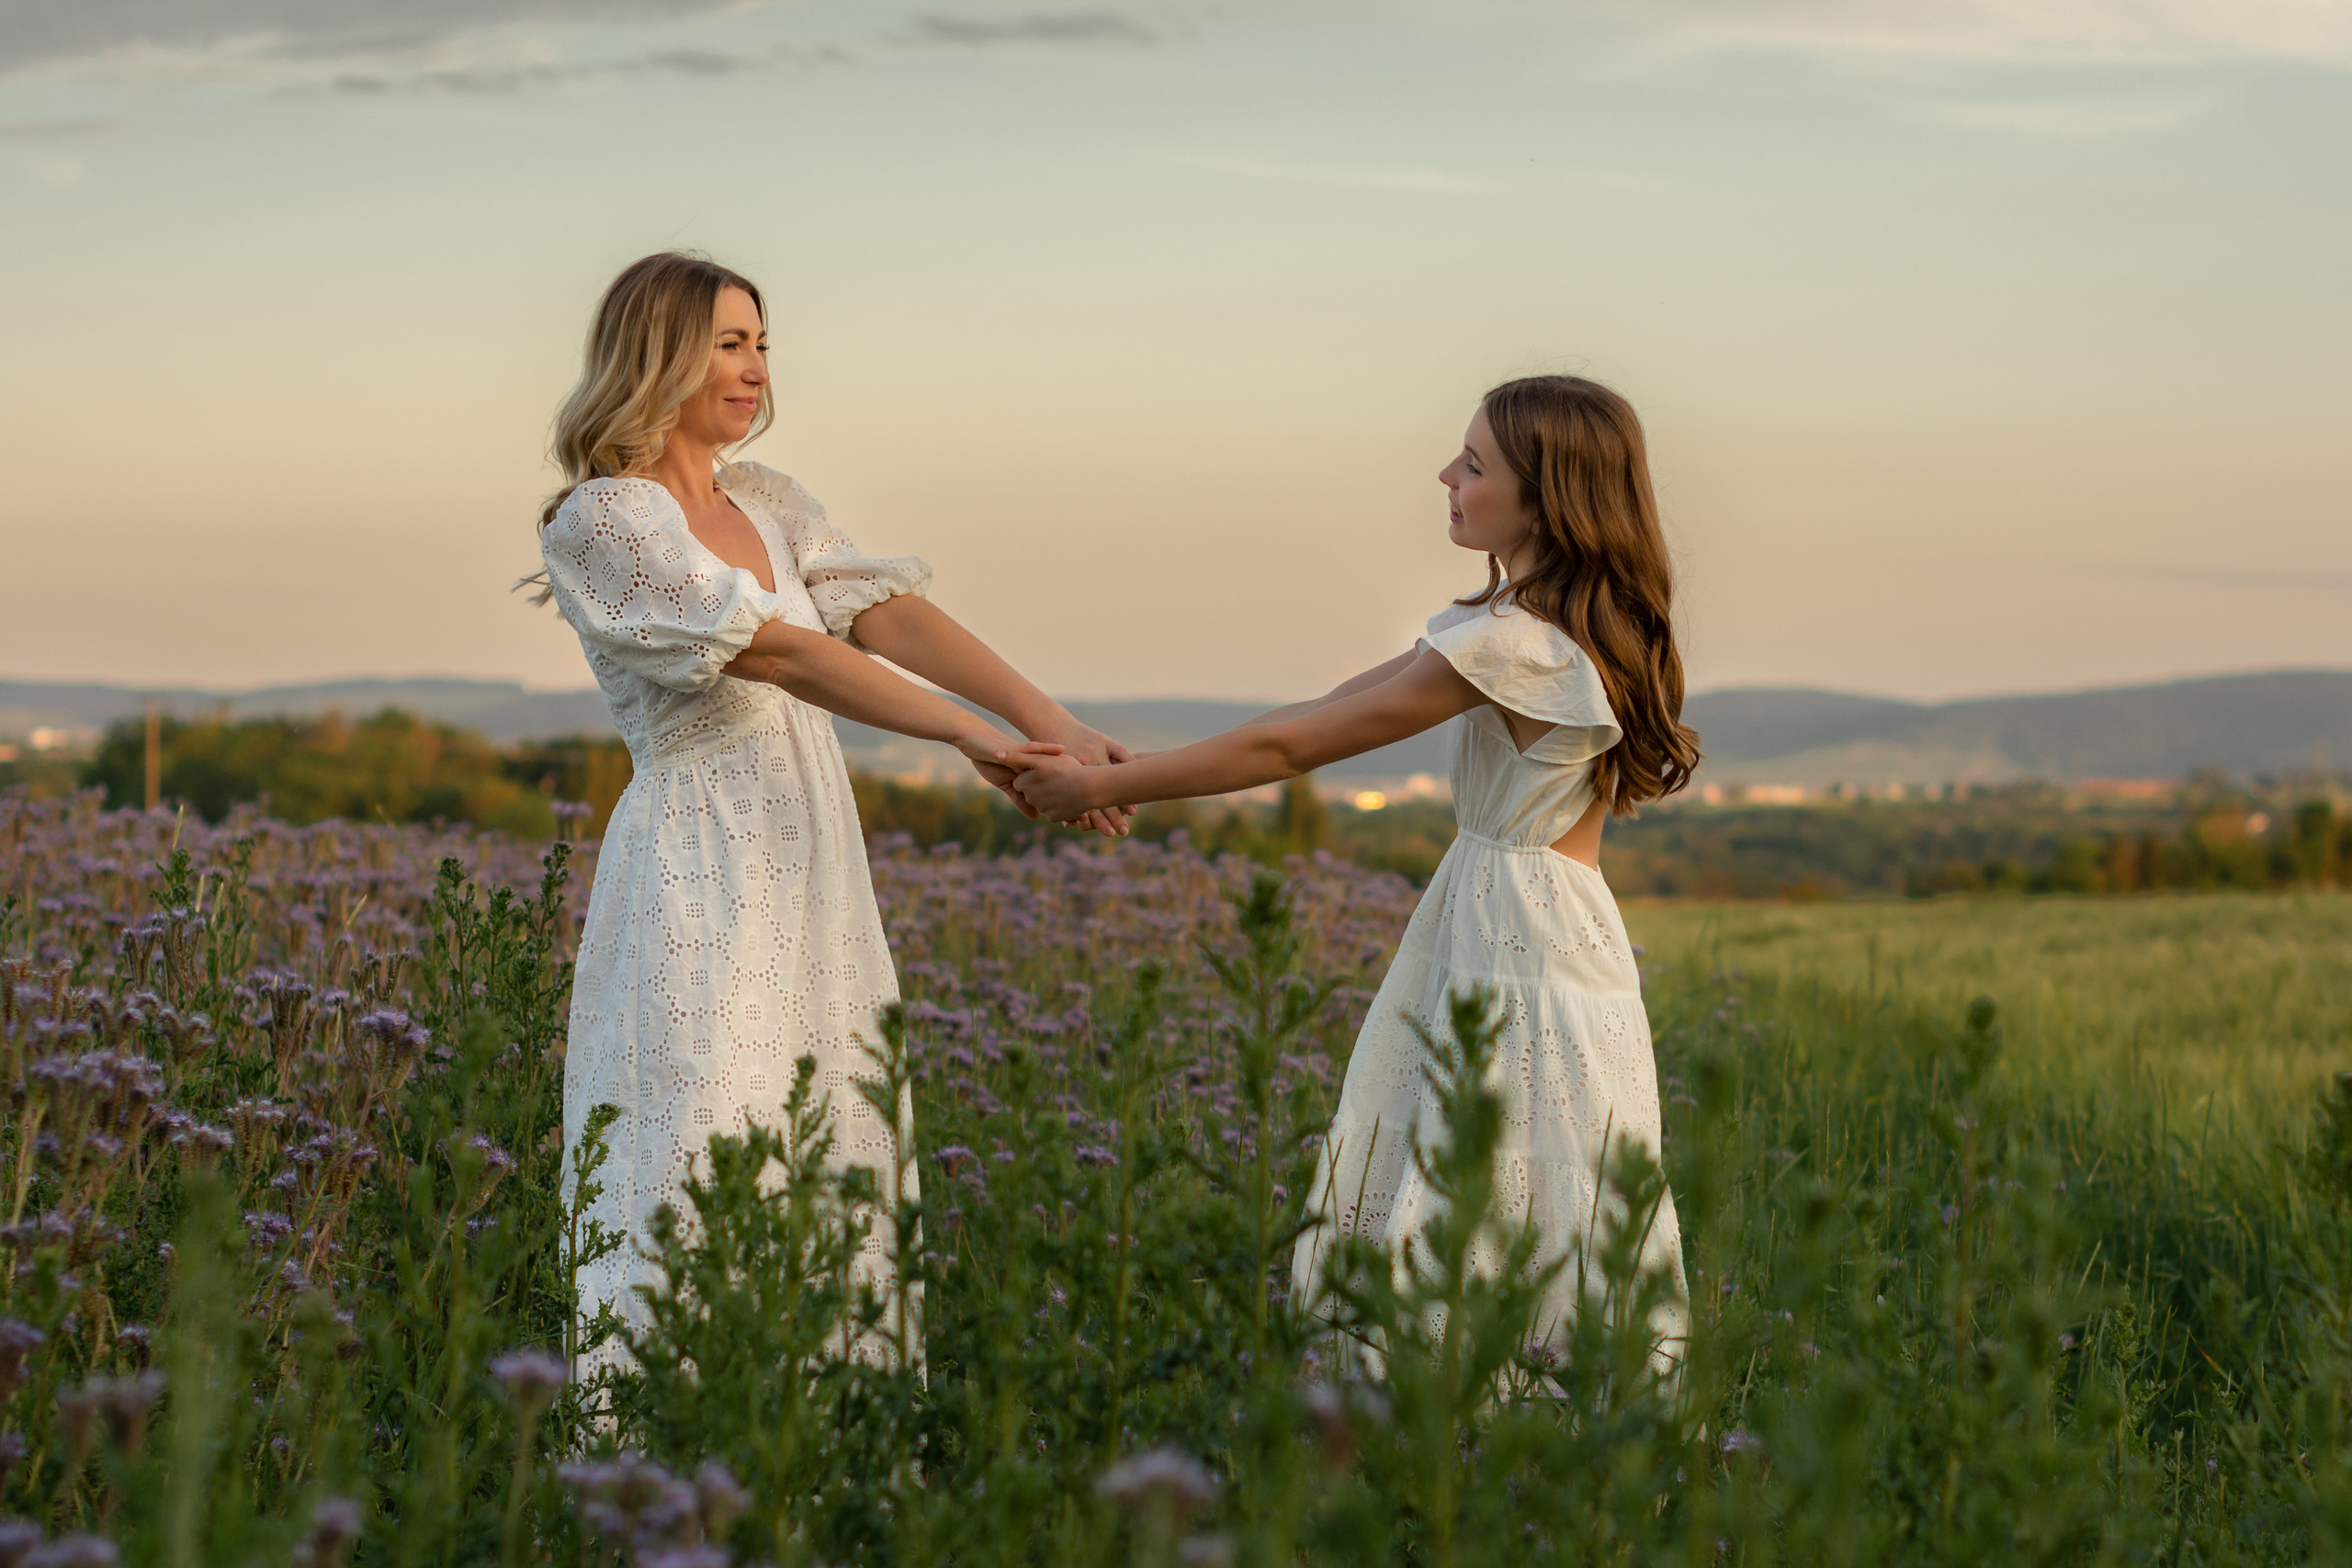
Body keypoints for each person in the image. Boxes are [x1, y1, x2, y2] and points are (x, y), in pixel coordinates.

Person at [1004, 375, 1700, 1365]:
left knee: (1490, 1167)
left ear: (1546, 495)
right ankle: (1513, 1426)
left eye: (1474, 464)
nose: (1446, 475)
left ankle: (1453, 1410)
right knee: (1538, 1176)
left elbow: (1295, 752)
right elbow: (1313, 714)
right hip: (1539, 918)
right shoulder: (1530, 627)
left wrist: (1105, 791)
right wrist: (1134, 766)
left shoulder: (1515, 646)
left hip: (1518, 934)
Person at [533, 251, 1127, 1375]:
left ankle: (822, 1462)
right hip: (696, 864)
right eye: (729, 343)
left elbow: (888, 618)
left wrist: (1051, 720)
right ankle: (664, 1470)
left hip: (810, 861)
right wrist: (968, 737)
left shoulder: (770, 499)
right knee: (704, 1130)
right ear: (655, 354)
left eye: (761, 342)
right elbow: (781, 653)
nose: (756, 368)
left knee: (828, 1134)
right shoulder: (603, 521)